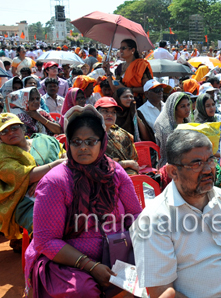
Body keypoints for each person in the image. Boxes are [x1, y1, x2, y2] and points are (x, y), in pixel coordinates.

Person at [130, 130, 221, 298]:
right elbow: (161, 292)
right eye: (197, 164)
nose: (209, 169)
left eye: (211, 160)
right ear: (173, 172)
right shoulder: (153, 221)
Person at [24, 105, 142, 297]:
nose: (83, 147)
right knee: (82, 291)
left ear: (102, 141)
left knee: (155, 271)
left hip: (117, 252)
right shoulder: (55, 181)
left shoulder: (115, 172)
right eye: (76, 142)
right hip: (66, 261)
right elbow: (46, 241)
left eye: (90, 141)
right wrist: (90, 266)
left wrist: (143, 243)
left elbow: (135, 214)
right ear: (68, 144)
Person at [0, 113, 66, 251]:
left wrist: (45, 178)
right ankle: (51, 259)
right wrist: (56, 166)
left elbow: (66, 155)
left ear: (23, 128)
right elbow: (26, 176)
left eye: (14, 127)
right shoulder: (3, 154)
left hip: (62, 185)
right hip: (25, 199)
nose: (11, 132)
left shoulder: (44, 140)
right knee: (47, 224)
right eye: (4, 131)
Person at [95, 97, 140, 175]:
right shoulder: (92, 136)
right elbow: (97, 165)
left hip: (127, 176)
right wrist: (125, 164)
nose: (110, 115)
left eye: (113, 112)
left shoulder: (122, 134)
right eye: (105, 111)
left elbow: (133, 160)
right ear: (96, 113)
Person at [104, 39, 153, 106]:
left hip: (138, 103)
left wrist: (127, 89)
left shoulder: (141, 66)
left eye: (123, 48)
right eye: (120, 48)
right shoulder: (119, 67)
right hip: (122, 104)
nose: (120, 51)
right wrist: (107, 72)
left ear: (132, 50)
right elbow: (114, 88)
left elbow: (147, 88)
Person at [154, 92, 191, 168]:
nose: (187, 109)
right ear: (174, 109)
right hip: (171, 164)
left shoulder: (187, 123)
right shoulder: (166, 128)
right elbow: (168, 152)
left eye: (188, 105)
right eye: (182, 106)